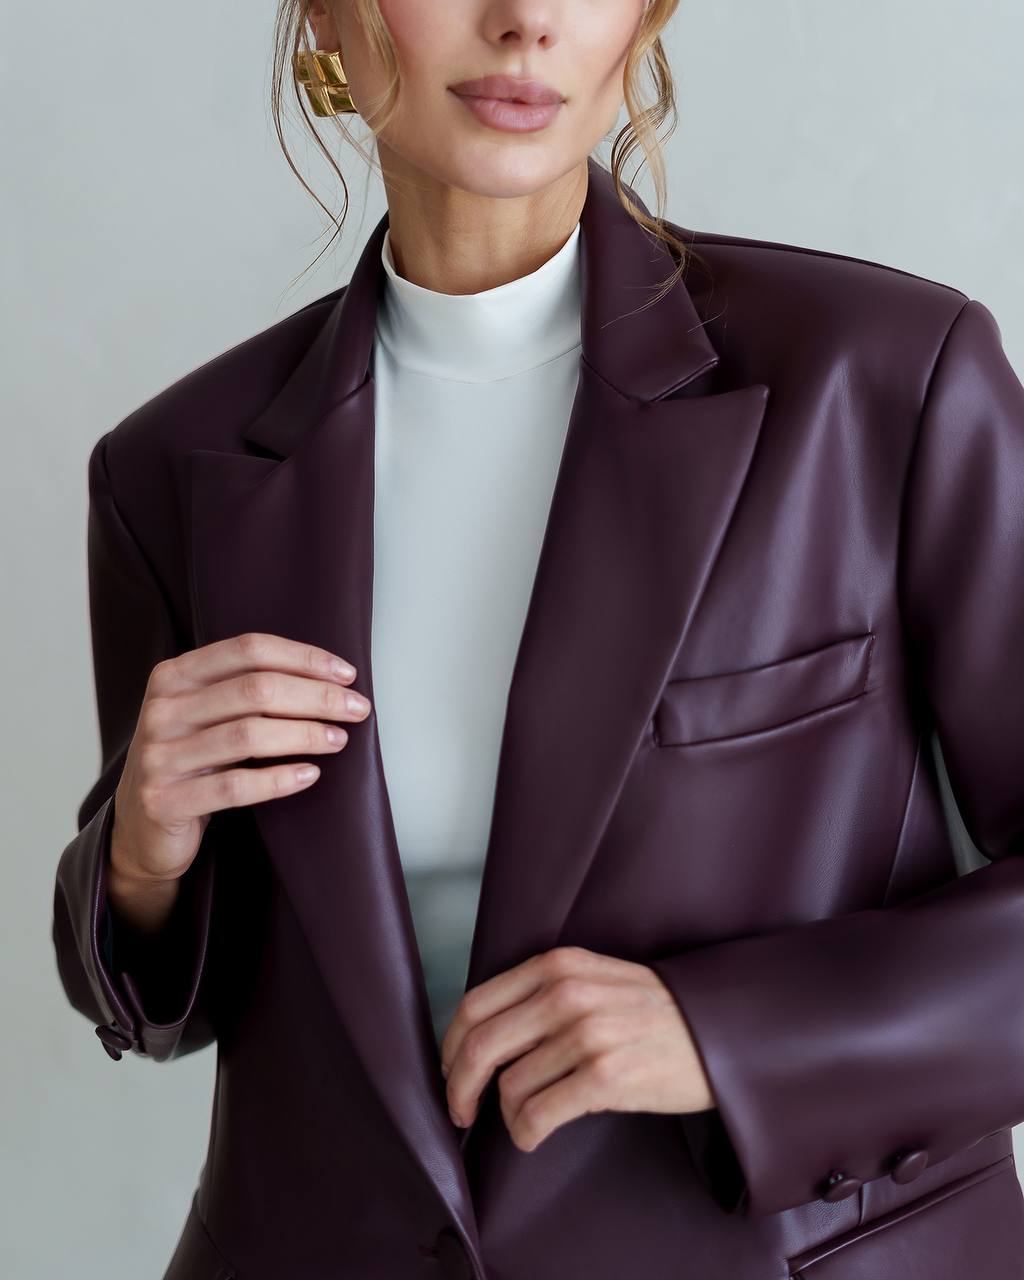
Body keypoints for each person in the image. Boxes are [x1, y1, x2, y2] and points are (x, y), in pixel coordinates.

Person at [52, 2, 1024, 1277]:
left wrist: (730, 1036)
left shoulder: (883, 377)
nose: (525, 21)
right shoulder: (176, 465)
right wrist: (136, 856)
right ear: (330, 20)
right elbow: (199, 994)